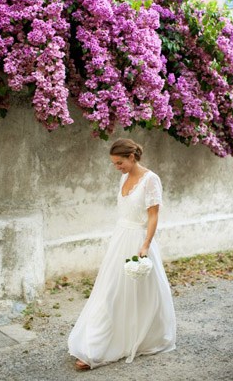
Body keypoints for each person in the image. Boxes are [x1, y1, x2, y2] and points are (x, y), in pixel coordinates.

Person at [68, 138, 176, 370]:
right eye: (114, 164)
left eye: (120, 163)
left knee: (141, 292)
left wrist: (146, 244)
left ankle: (140, 337)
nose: (117, 167)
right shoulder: (123, 178)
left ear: (132, 157)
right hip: (120, 238)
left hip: (139, 240)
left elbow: (153, 215)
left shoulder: (151, 180)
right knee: (110, 291)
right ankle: (97, 342)